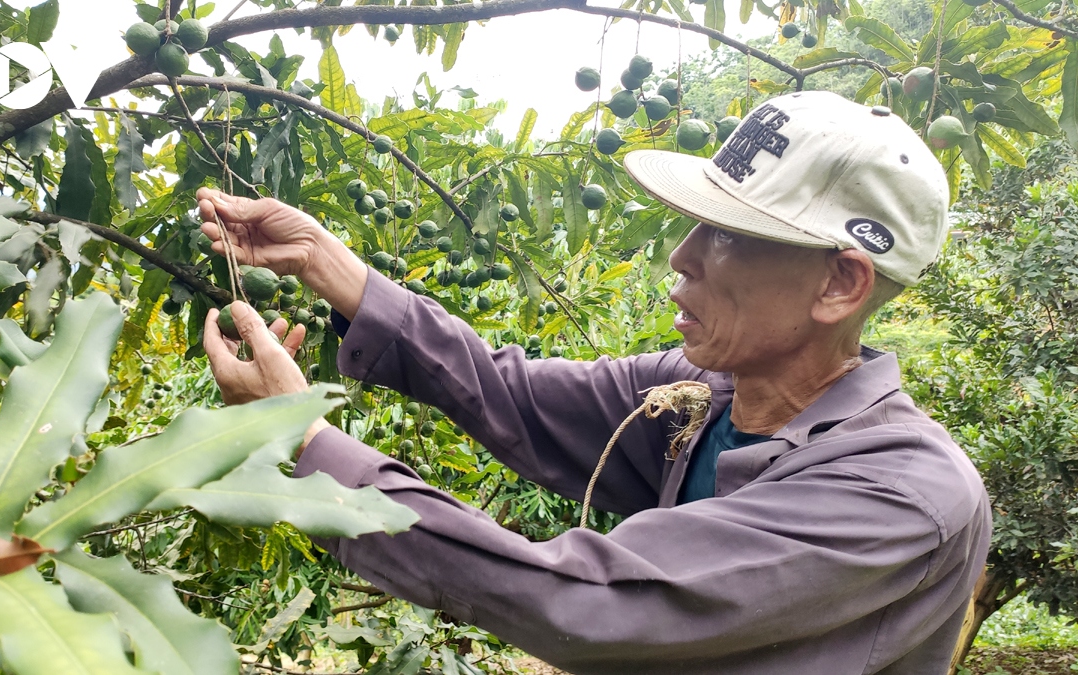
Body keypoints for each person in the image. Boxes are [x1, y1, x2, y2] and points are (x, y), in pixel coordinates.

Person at [196, 90, 991, 674]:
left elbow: (590, 601)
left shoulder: (904, 495)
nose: (681, 257)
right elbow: (507, 393)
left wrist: (301, 440)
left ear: (841, 285)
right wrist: (330, 266)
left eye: (725, 234)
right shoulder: (699, 395)